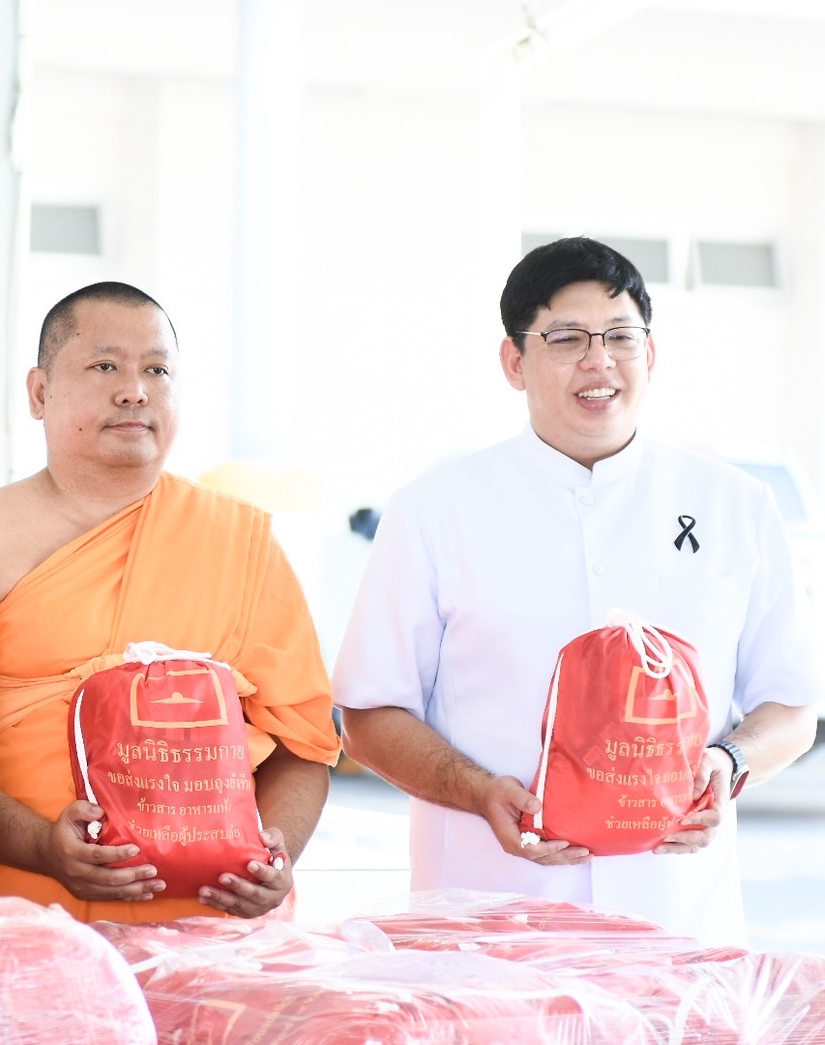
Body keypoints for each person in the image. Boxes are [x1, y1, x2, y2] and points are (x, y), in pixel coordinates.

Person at [332, 237, 821, 946]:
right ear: (512, 361)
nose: (599, 362)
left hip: (675, 920)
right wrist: (474, 789)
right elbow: (370, 711)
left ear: (649, 356)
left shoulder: (733, 506)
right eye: (566, 338)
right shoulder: (435, 509)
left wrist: (728, 763)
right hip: (488, 918)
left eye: (621, 337)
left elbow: (792, 704)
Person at [0, 281, 341, 923]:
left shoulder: (241, 540)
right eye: (105, 366)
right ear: (40, 393)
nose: (135, 390)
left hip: (204, 925)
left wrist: (276, 859)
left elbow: (303, 746)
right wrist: (41, 845)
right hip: (19, 912)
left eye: (157, 370)